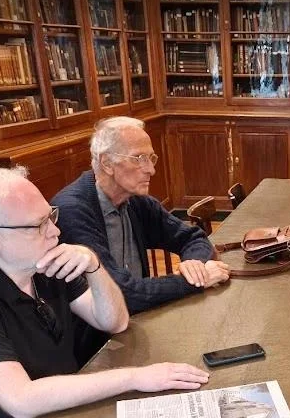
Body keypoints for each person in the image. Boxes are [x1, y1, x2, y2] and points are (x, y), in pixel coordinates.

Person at [0, 167, 210, 418]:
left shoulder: (43, 265)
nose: (55, 232)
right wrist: (135, 377)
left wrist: (94, 267)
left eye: (51, 216)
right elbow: (21, 400)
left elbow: (114, 322)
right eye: (38, 225)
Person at [53, 116, 229, 315]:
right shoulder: (73, 211)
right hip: (98, 331)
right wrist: (193, 281)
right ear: (107, 163)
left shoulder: (135, 200)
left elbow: (193, 238)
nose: (151, 170)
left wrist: (195, 266)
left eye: (151, 158)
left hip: (140, 319)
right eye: (139, 159)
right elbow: (121, 293)